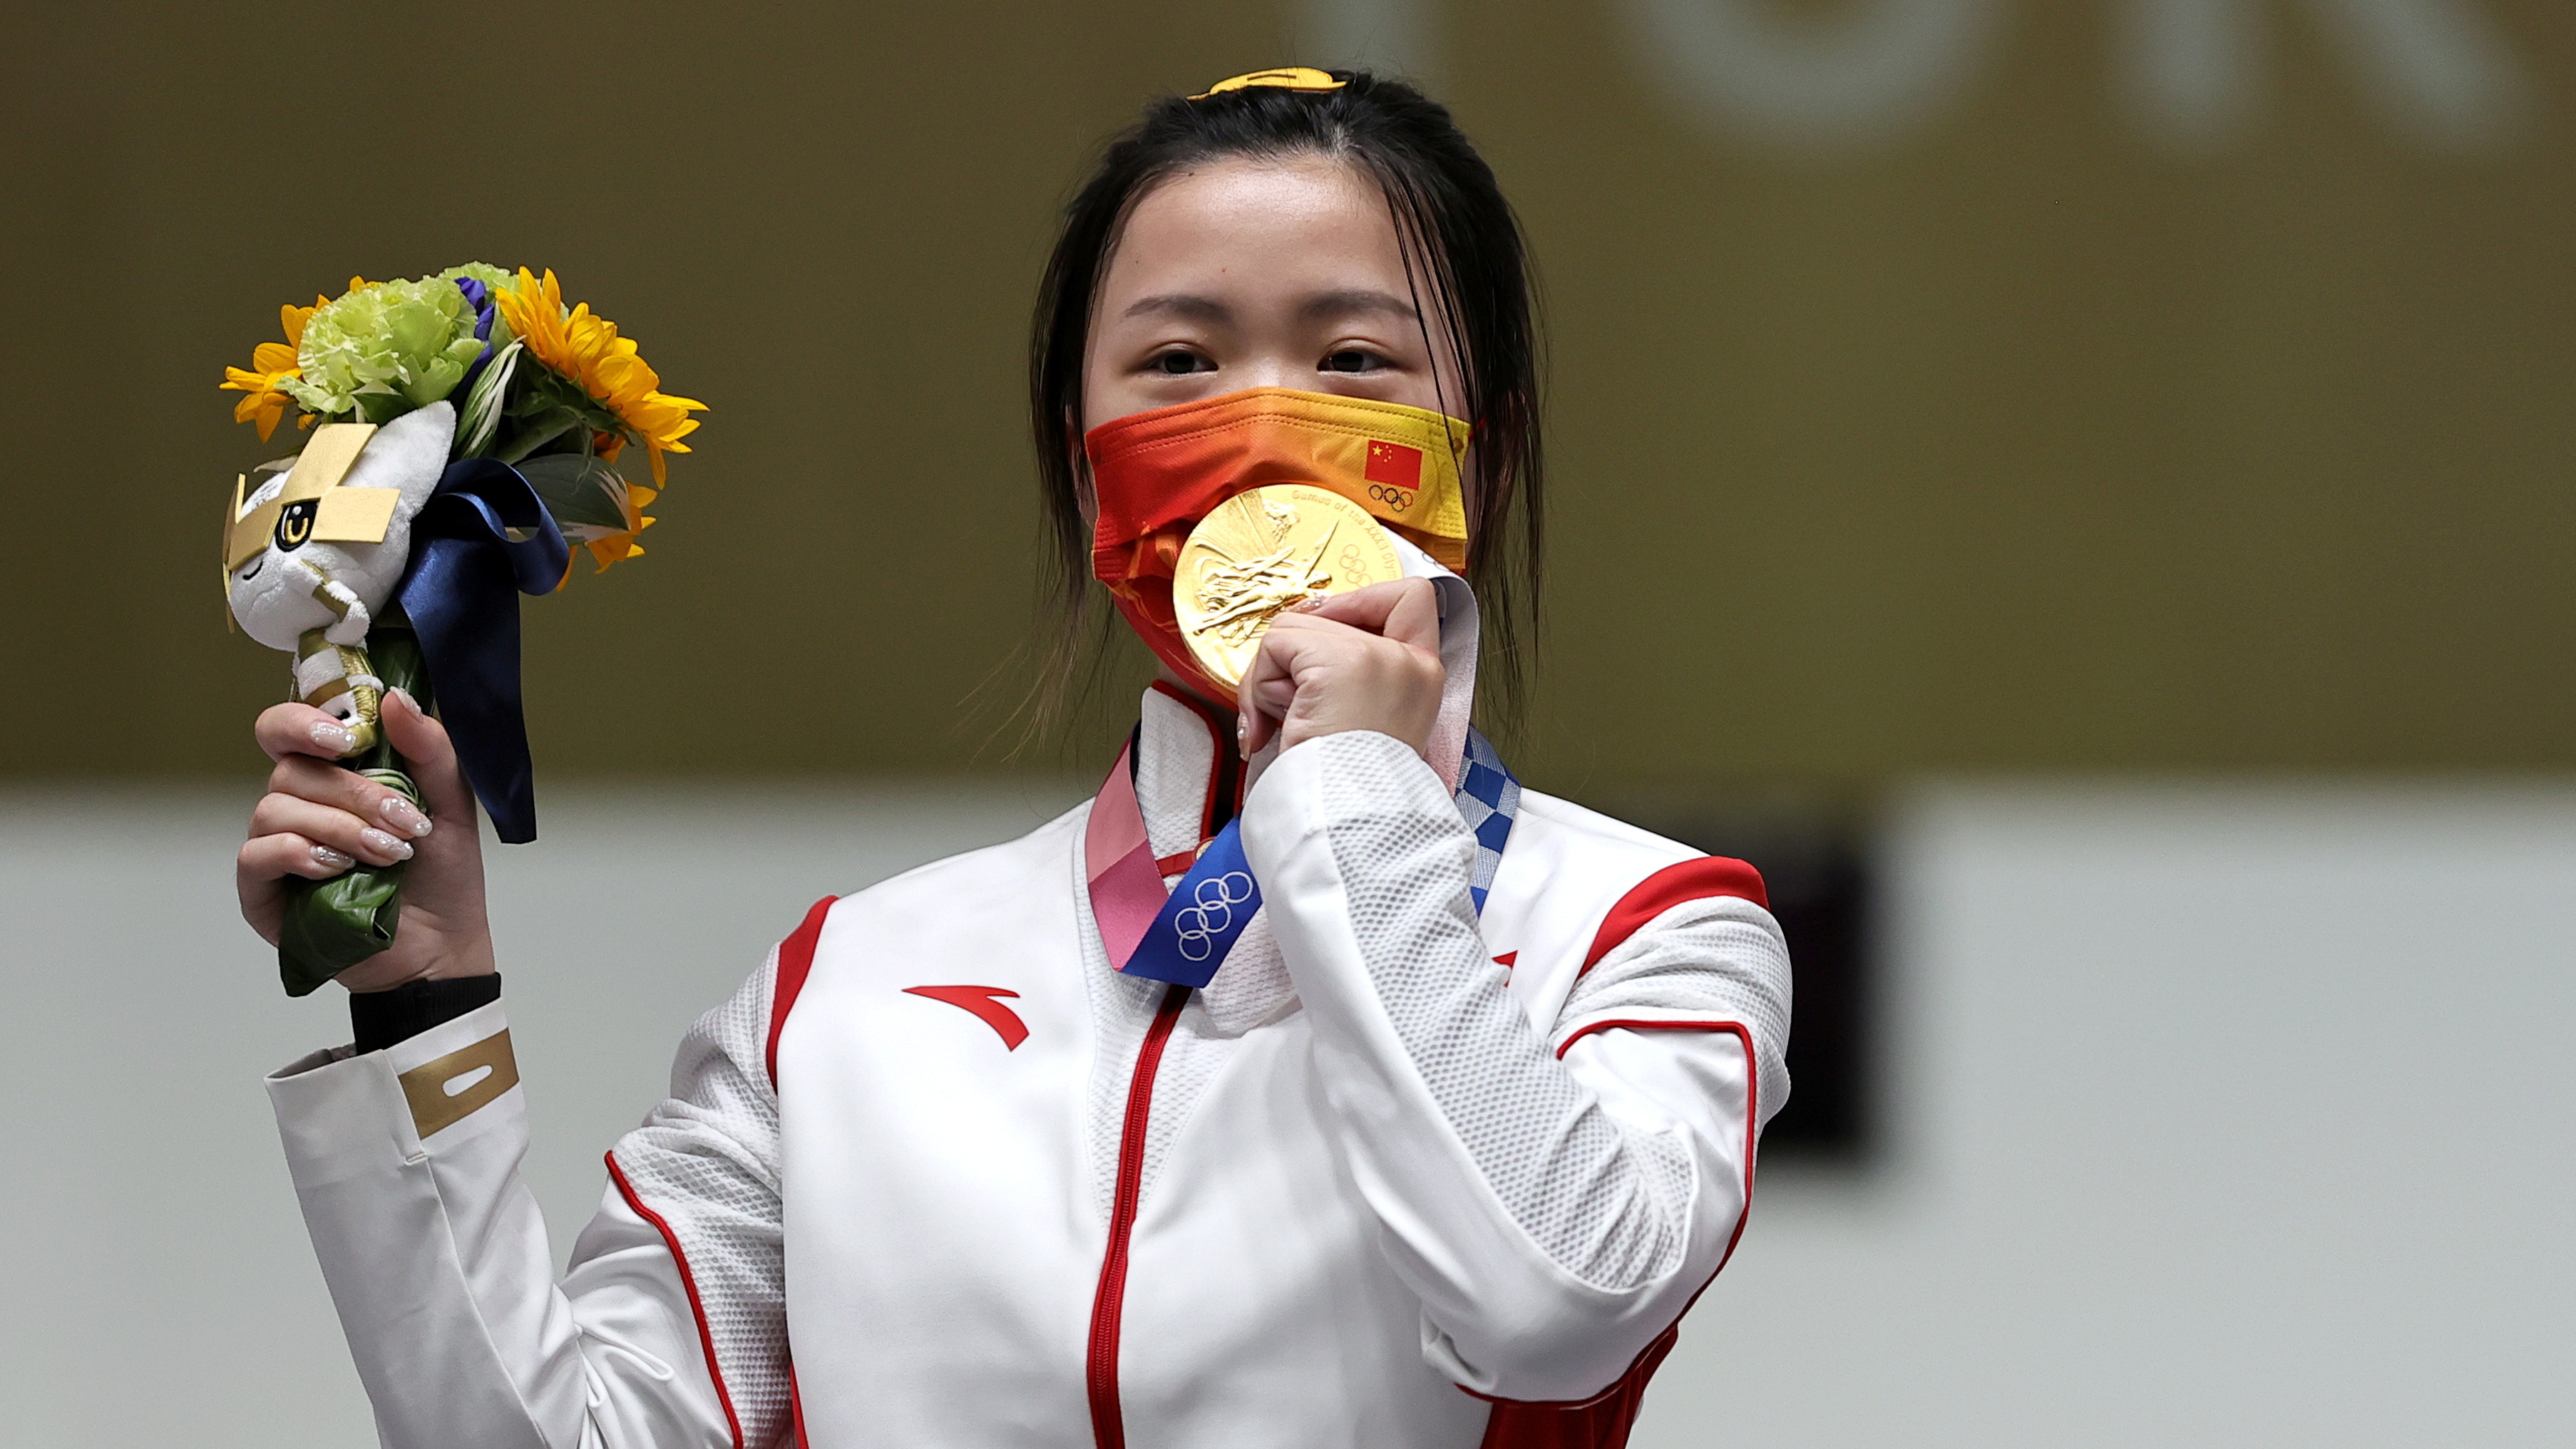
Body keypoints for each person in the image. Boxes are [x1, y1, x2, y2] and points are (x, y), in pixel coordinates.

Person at [242, 69, 1792, 1449]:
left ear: (1490, 448)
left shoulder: (1643, 929)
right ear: (1078, 453)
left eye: (1354, 361)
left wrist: (1352, 798)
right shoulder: (840, 990)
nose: (1257, 425)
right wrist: (421, 996)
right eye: (1178, 361)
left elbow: (1556, 1305)